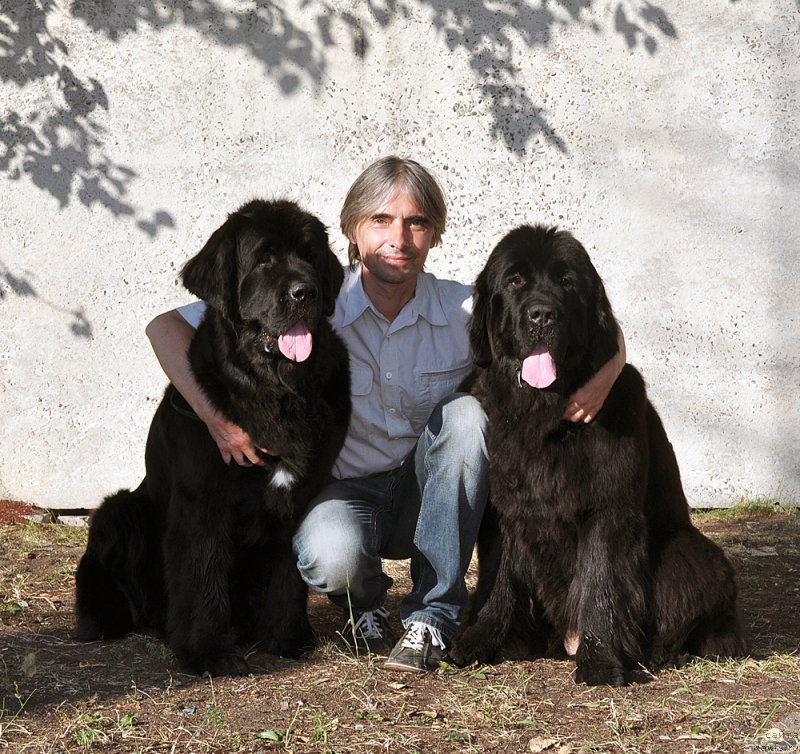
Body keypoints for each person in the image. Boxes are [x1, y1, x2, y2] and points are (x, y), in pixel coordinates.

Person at [146, 156, 626, 672]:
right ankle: (365, 604)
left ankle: (431, 617)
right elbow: (164, 328)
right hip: (347, 491)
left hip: (432, 493)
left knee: (466, 418)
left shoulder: (464, 310)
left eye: (416, 222)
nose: (399, 237)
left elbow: (595, 328)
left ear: (434, 234)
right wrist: (216, 419)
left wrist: (607, 373)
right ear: (353, 230)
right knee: (329, 553)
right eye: (381, 220)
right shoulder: (316, 297)